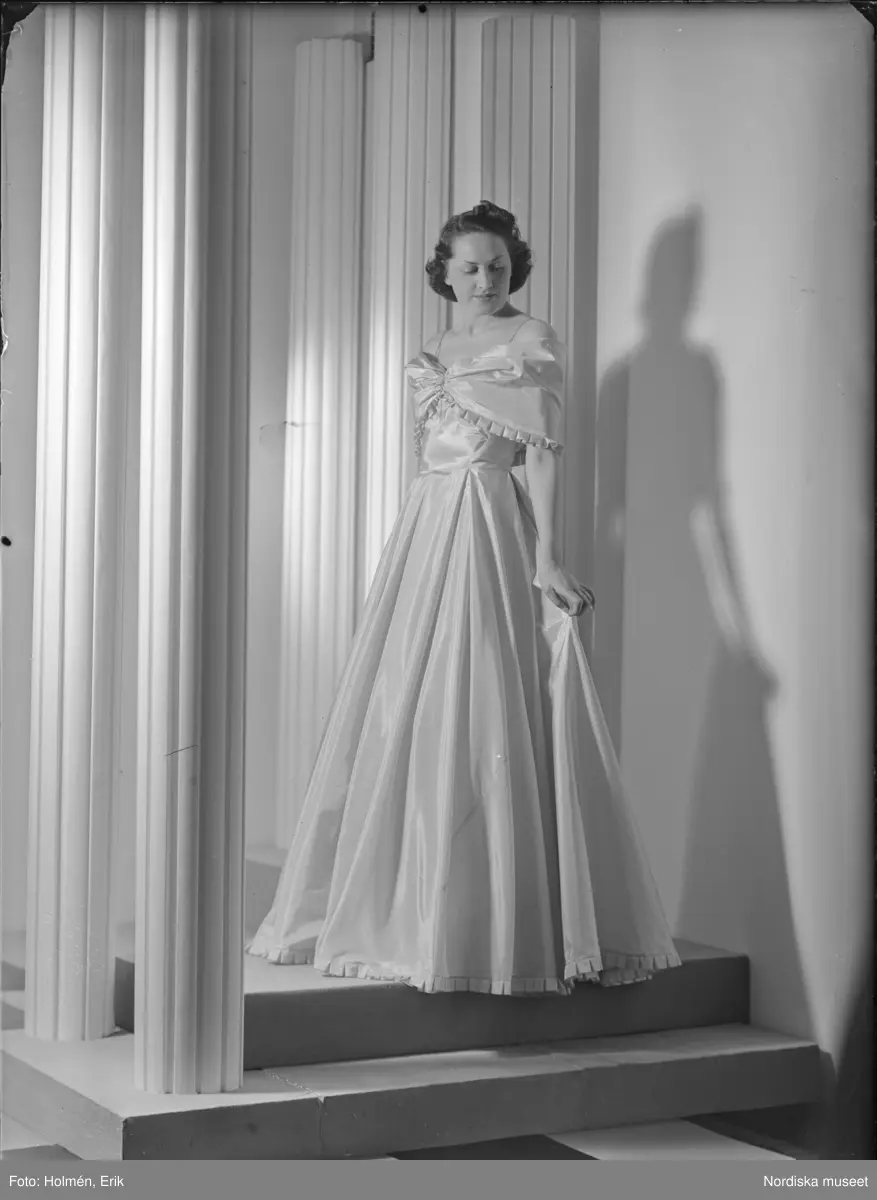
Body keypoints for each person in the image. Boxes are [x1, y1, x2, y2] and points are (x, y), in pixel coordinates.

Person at [246, 201, 681, 994]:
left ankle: (492, 920)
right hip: (428, 522)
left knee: (485, 695)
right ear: (443, 274)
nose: (486, 279)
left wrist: (547, 557)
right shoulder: (435, 349)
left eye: (498, 266)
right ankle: (405, 909)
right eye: (471, 267)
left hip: (489, 518)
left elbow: (540, 454)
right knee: (404, 700)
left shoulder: (531, 340)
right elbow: (434, 454)